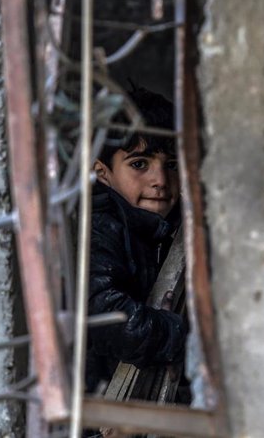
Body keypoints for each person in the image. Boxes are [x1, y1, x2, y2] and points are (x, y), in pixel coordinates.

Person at [85, 86, 187, 393]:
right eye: (139, 164)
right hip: (98, 411)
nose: (160, 180)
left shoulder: (180, 226)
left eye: (171, 165)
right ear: (103, 173)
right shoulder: (99, 227)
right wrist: (179, 334)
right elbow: (107, 318)